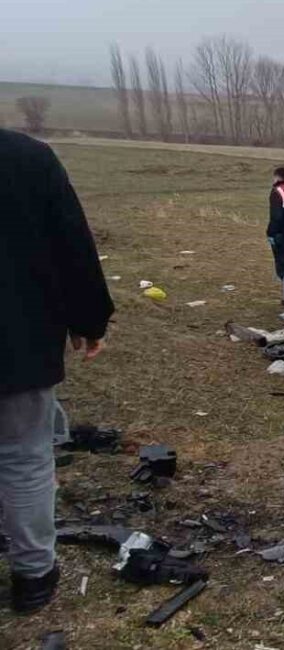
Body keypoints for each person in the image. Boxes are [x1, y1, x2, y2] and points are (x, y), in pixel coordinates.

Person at [0, 128, 114, 613]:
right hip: (16, 341)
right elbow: (72, 243)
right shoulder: (28, 158)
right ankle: (33, 577)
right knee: (24, 457)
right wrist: (88, 318)